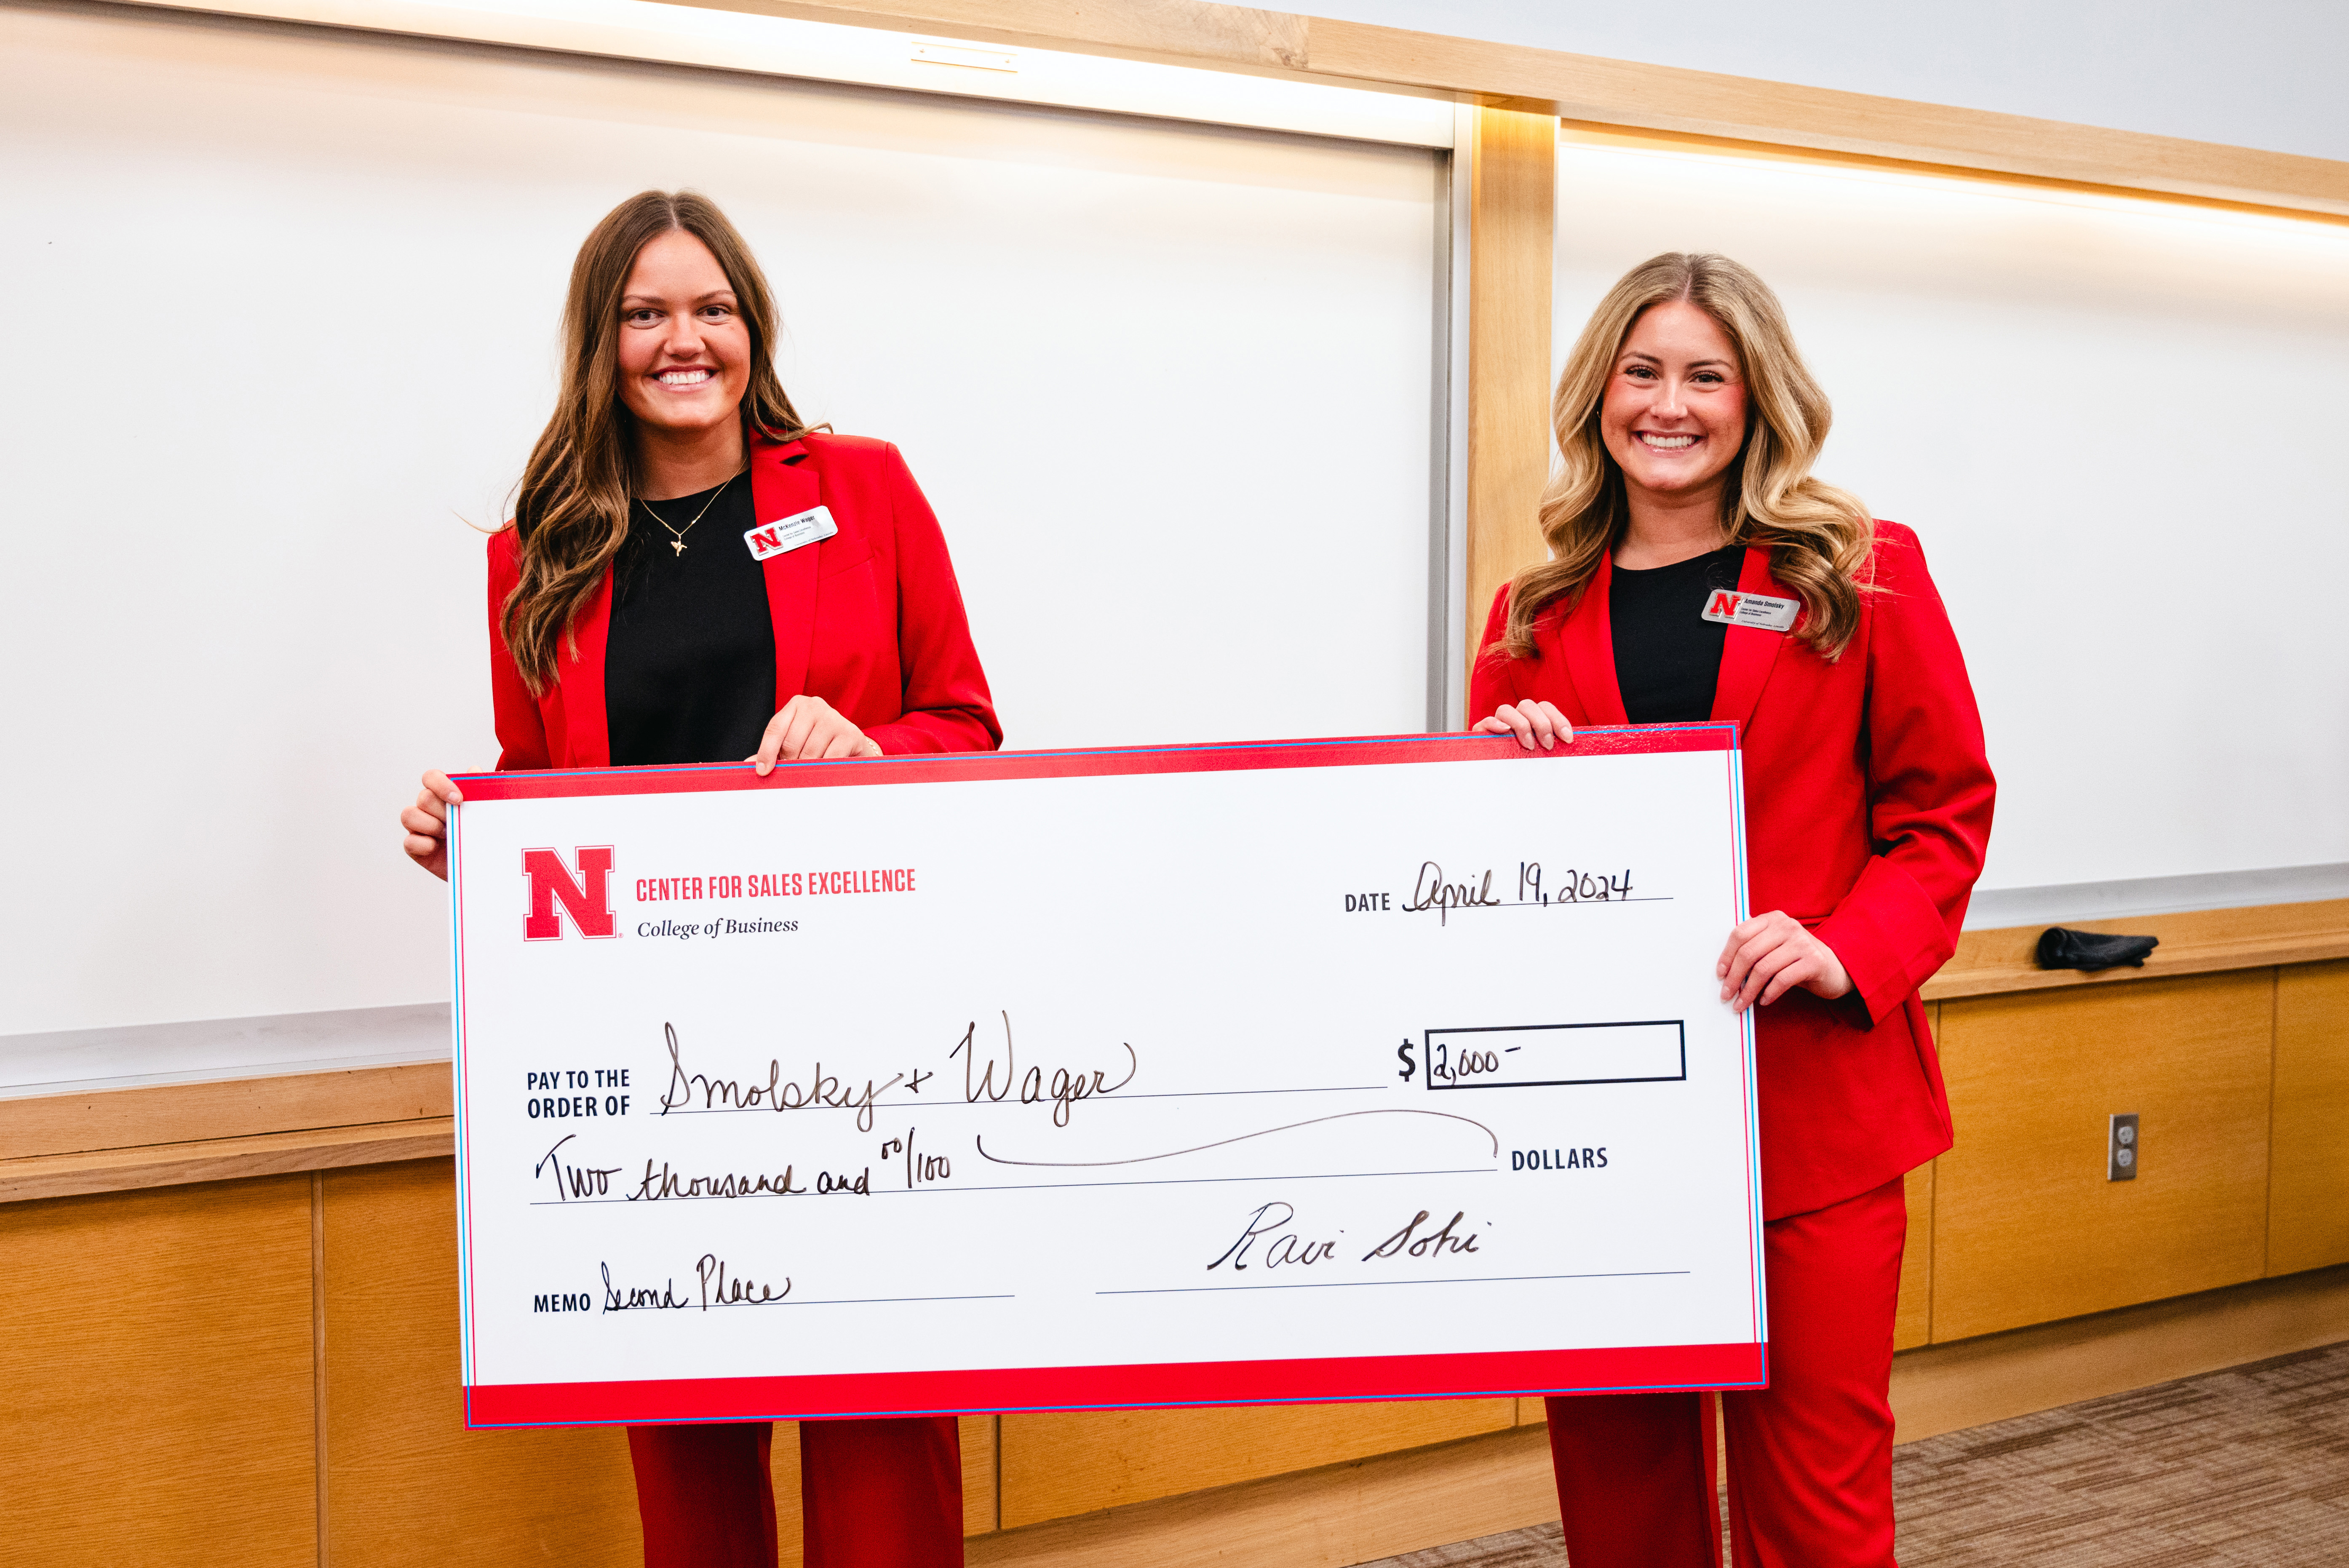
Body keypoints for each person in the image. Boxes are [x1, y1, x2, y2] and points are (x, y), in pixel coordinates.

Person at [398, 189, 997, 1568]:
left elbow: (966, 731)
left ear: (751, 325)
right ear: (601, 344)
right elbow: (547, 794)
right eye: (647, 313)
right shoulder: (533, 555)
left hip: (865, 1045)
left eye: (712, 308)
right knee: (685, 1445)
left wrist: (870, 743)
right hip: (650, 1059)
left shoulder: (863, 488)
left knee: (880, 1434)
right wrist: (468, 836)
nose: (687, 340)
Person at [1470, 252, 1995, 1567]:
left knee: (1816, 1497)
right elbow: (1480, 885)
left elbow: (1942, 816)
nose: (1670, 403)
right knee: (1618, 1491)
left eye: (1705, 374)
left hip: (1810, 1109)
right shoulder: (1526, 618)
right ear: (1599, 396)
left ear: (1755, 397)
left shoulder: (1858, 572)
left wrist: (1838, 945)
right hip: (1596, 1126)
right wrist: (1498, 772)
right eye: (1641, 372)